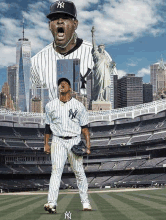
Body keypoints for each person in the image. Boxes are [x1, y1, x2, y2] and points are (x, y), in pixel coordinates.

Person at [44, 77, 92, 213]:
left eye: (64, 84)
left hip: (74, 141)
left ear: (70, 88)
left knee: (79, 172)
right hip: (58, 140)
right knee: (56, 172)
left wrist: (88, 146)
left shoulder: (78, 106)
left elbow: (85, 128)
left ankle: (86, 202)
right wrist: (46, 144)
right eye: (60, 84)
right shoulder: (50, 105)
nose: (61, 85)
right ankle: (51, 203)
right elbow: (47, 127)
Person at [30, 0, 94, 101]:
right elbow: (33, 103)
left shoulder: (96, 56)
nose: (60, 21)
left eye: (65, 17)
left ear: (75, 24)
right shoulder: (35, 62)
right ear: (49, 25)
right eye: (55, 18)